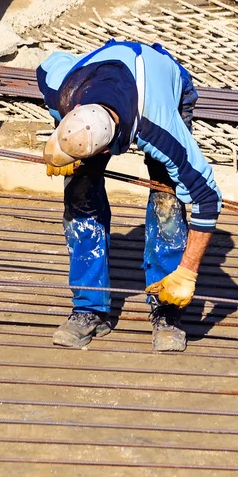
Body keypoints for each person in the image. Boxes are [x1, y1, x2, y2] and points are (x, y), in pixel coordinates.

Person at [37, 39, 222, 352]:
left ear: (110, 149)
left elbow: (208, 197)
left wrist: (188, 272)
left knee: (168, 199)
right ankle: (90, 309)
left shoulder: (160, 128)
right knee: (79, 196)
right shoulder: (61, 88)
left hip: (161, 82)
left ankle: (167, 309)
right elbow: (49, 61)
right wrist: (58, 150)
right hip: (102, 76)